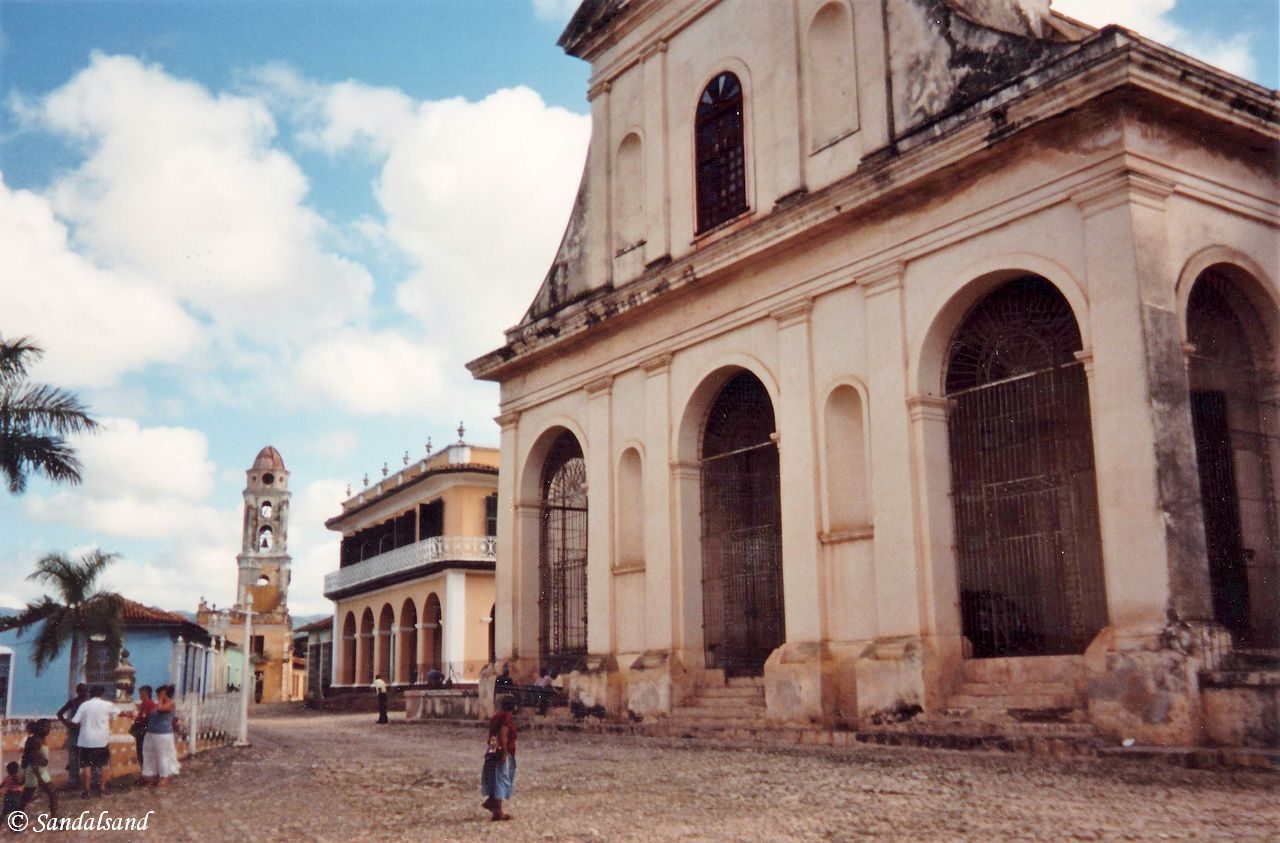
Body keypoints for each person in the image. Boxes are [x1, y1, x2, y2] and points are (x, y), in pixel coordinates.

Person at [71, 684, 116, 798]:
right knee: (103, 765)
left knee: (86, 766)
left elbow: (75, 721)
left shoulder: (84, 705)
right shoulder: (107, 705)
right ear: (102, 694)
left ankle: (86, 791)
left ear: (90, 693)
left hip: (86, 740)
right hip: (101, 740)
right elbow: (117, 713)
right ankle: (102, 789)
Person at [480, 695, 517, 822]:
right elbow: (503, 735)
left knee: (495, 777)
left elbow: (490, 736)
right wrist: (505, 752)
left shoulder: (496, 716)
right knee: (502, 778)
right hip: (502, 751)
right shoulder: (507, 717)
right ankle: (498, 811)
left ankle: (493, 803)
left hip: (493, 750)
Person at [141, 685, 180, 787]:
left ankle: (165, 776)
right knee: (151, 754)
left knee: (164, 756)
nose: (158, 695)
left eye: (160, 693)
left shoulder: (170, 704)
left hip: (163, 734)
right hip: (152, 732)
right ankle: (153, 775)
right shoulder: (159, 703)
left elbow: (161, 709)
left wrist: (163, 698)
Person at [20, 719, 57, 816]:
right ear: (40, 728)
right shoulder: (35, 741)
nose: (49, 730)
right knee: (25, 798)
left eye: (49, 727)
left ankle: (55, 820)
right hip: (34, 773)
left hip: (41, 771)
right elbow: (33, 762)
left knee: (53, 795)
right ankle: (15, 821)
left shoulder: (40, 739)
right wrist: (39, 779)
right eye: (47, 727)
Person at [56, 683, 88, 786]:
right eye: (81, 690)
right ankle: (73, 780)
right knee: (73, 758)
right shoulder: (73, 702)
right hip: (74, 733)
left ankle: (87, 780)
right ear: (77, 691)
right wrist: (67, 724)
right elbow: (60, 713)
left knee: (85, 758)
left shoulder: (88, 703)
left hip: (85, 733)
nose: (83, 692)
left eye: (84, 690)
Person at [131, 685, 157, 780]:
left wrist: (140, 718)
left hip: (146, 731)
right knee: (140, 752)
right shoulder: (143, 704)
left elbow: (149, 718)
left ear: (147, 694)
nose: (140, 696)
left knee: (145, 753)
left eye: (142, 694)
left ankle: (148, 774)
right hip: (140, 731)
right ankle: (144, 772)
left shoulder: (151, 704)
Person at [2, 762, 25, 829]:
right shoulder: (15, 777)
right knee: (18, 810)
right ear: (16, 770)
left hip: (7, 796)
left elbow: (2, 785)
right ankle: (16, 826)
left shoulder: (7, 777)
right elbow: (19, 783)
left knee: (5, 811)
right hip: (15, 796)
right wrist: (24, 780)